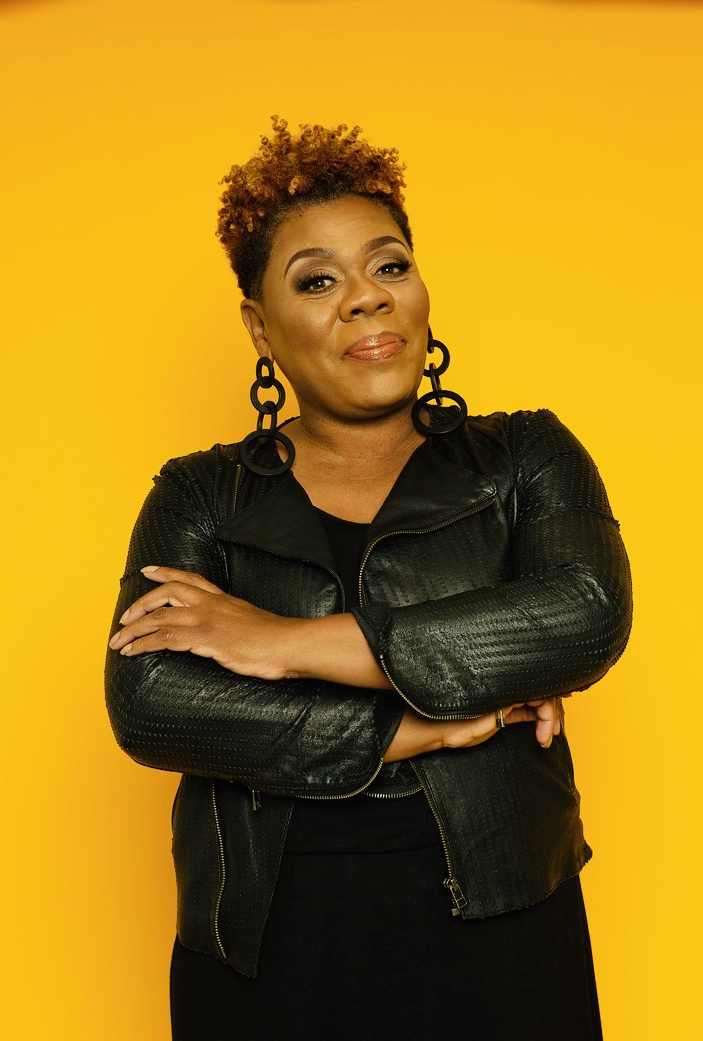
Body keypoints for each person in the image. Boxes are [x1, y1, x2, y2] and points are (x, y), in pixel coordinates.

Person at [106, 118, 632, 1041]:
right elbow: (151, 703)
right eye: (318, 281)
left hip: (506, 933)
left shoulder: (526, 456)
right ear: (260, 327)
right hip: (265, 948)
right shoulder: (200, 496)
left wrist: (281, 643)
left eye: (389, 266)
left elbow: (582, 615)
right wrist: (413, 728)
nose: (366, 298)